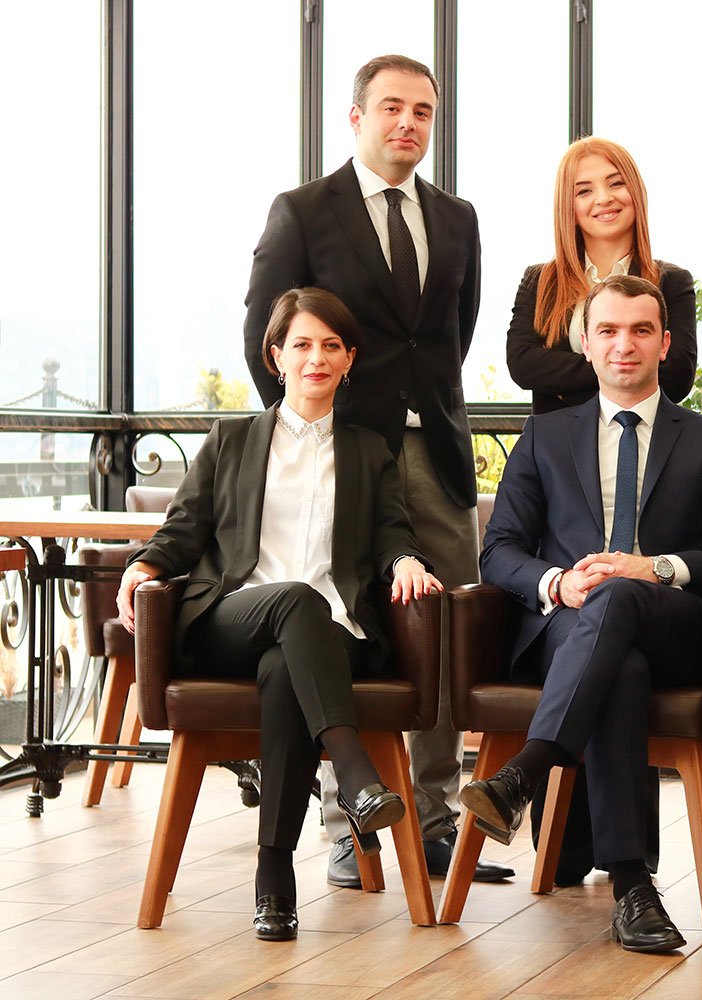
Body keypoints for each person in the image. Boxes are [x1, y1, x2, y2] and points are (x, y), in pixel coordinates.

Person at [242, 54, 511, 886]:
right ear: (356, 117)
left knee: (442, 635)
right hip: (342, 453)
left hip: (436, 452)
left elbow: (452, 334)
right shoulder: (302, 210)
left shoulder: (456, 217)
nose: (408, 123)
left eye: (423, 111)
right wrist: (312, 437)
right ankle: (346, 826)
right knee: (340, 620)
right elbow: (266, 336)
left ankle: (431, 818)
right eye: (392, 107)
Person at [117, 288, 445, 941]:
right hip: (233, 617)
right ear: (276, 357)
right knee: (295, 598)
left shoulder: (368, 450)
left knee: (283, 668)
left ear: (348, 360)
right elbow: (183, 529)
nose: (316, 358)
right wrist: (144, 565)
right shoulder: (232, 439)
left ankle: (274, 878)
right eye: (302, 345)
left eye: (331, 346)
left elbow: (392, 535)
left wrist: (407, 560)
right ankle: (353, 769)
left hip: (334, 632)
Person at [460, 274, 702, 953]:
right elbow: (499, 550)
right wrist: (559, 581)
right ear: (587, 346)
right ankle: (633, 889)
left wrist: (652, 568)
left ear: (665, 344)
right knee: (618, 666)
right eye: (609, 331)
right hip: (570, 625)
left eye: (641, 330)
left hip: (677, 626)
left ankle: (527, 770)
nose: (625, 344)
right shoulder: (543, 436)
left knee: (621, 592)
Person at [507, 137, 697, 415]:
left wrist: (564, 379)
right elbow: (523, 364)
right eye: (584, 191)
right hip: (559, 438)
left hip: (641, 435)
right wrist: (632, 369)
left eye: (616, 183)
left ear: (635, 192)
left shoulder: (672, 282)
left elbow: (678, 377)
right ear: (568, 207)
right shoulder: (541, 281)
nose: (604, 198)